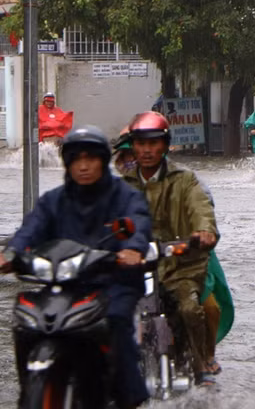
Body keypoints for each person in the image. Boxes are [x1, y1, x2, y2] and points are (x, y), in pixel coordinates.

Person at [0, 126, 153, 409]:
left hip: (113, 283)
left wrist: (132, 249)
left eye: (91, 158)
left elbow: (138, 225)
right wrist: (10, 254)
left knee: (117, 320)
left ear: (102, 161)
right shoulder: (53, 200)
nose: (83, 166)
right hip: (62, 286)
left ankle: (129, 398)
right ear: (67, 164)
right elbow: (30, 230)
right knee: (26, 321)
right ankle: (30, 390)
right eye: (76, 159)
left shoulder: (126, 196)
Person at [113, 124, 233, 378]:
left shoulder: (185, 179)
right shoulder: (118, 187)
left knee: (203, 307)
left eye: (131, 157)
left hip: (181, 254)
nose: (129, 161)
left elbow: (201, 208)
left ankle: (204, 359)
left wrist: (202, 232)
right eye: (124, 157)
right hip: (132, 262)